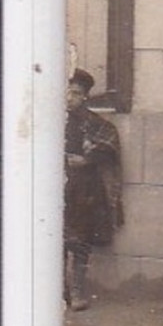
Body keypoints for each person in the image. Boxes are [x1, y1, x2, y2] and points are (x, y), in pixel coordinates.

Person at [64, 68, 123, 312]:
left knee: (80, 241)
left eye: (76, 93)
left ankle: (77, 292)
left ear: (85, 96)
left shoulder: (93, 123)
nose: (70, 97)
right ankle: (57, 293)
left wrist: (87, 160)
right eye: (67, 92)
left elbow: (109, 144)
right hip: (54, 187)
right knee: (54, 241)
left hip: (83, 191)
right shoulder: (52, 121)